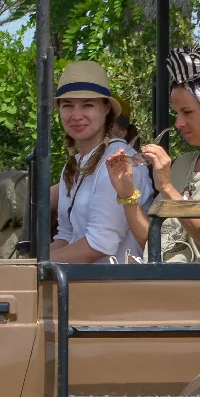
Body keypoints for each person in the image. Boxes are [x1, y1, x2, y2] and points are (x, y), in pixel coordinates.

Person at [110, 47, 200, 262]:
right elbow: (151, 244)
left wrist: (168, 188)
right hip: (169, 282)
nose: (178, 123)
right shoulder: (184, 163)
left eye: (187, 112)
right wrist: (126, 193)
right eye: (177, 114)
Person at [50, 61, 150, 264]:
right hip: (77, 283)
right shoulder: (73, 165)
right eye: (68, 105)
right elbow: (66, 235)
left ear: (106, 109)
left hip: (116, 286)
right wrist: (24, 265)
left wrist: (37, 265)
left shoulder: (120, 160)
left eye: (88, 105)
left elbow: (98, 245)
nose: (76, 116)